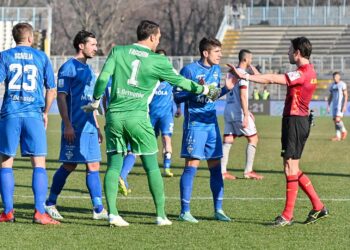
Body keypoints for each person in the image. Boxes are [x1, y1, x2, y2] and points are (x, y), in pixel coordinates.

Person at [81, 20, 221, 227]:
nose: (159, 41)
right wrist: (205, 90)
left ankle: (113, 214)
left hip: (114, 116)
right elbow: (182, 83)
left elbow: (102, 79)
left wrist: (95, 101)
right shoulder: (158, 60)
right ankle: (161, 216)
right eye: (159, 38)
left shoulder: (117, 51)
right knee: (151, 167)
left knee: (113, 166)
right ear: (153, 37)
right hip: (138, 117)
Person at [228, 37, 329, 227]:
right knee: (292, 168)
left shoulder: (302, 73)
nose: (288, 53)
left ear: (298, 52)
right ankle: (318, 206)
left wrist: (246, 76)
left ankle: (287, 215)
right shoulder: (310, 70)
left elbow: (274, 79)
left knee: (290, 168)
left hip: (295, 122)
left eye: (290, 50)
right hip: (297, 121)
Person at [44, 30, 108, 221]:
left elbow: (91, 102)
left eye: (96, 45)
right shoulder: (68, 67)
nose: (96, 48)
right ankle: (50, 203)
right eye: (93, 44)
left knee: (93, 165)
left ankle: (98, 208)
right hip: (74, 127)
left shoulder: (89, 70)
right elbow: (61, 98)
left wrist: (96, 125)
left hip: (89, 127)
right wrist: (67, 125)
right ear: (81, 45)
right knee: (70, 164)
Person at [0, 22, 59, 224]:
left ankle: (8, 212)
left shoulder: (5, 56)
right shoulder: (41, 57)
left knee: (6, 162)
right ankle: (39, 213)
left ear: (14, 38)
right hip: (34, 114)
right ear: (31, 38)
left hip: (10, 113)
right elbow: (51, 89)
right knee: (38, 163)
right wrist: (45, 111)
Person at [174, 37, 233, 223]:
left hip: (212, 125)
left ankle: (218, 209)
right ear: (205, 53)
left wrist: (226, 89)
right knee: (192, 166)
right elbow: (177, 96)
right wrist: (197, 90)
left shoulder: (216, 70)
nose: (220, 55)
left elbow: (213, 95)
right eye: (217, 52)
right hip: (195, 126)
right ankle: (185, 211)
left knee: (216, 168)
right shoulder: (189, 70)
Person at [221, 49, 264, 181]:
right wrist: (246, 114)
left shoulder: (230, 73)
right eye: (250, 59)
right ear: (245, 59)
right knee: (253, 139)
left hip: (228, 110)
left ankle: (222, 172)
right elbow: (243, 95)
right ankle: (248, 171)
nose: (252, 61)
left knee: (228, 140)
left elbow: (259, 77)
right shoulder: (243, 74)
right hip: (239, 112)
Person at [149, 49, 180, 177]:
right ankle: (150, 166)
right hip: (150, 113)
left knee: (166, 138)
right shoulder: (149, 72)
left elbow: (177, 91)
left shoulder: (172, 73)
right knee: (149, 141)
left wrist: (178, 107)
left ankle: (166, 167)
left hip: (166, 114)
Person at [102, 79, 136, 196]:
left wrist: (107, 116)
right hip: (130, 119)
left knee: (116, 154)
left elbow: (104, 99)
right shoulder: (128, 76)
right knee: (133, 151)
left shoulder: (107, 79)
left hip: (112, 120)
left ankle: (120, 184)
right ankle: (122, 176)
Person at [327, 72, 348, 141]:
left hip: (340, 105)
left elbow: (346, 95)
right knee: (335, 120)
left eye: (336, 77)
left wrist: (344, 105)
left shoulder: (342, 84)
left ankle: (344, 131)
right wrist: (328, 105)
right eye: (334, 77)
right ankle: (338, 136)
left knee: (337, 120)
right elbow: (330, 96)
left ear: (339, 77)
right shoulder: (332, 85)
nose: (335, 78)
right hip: (334, 105)